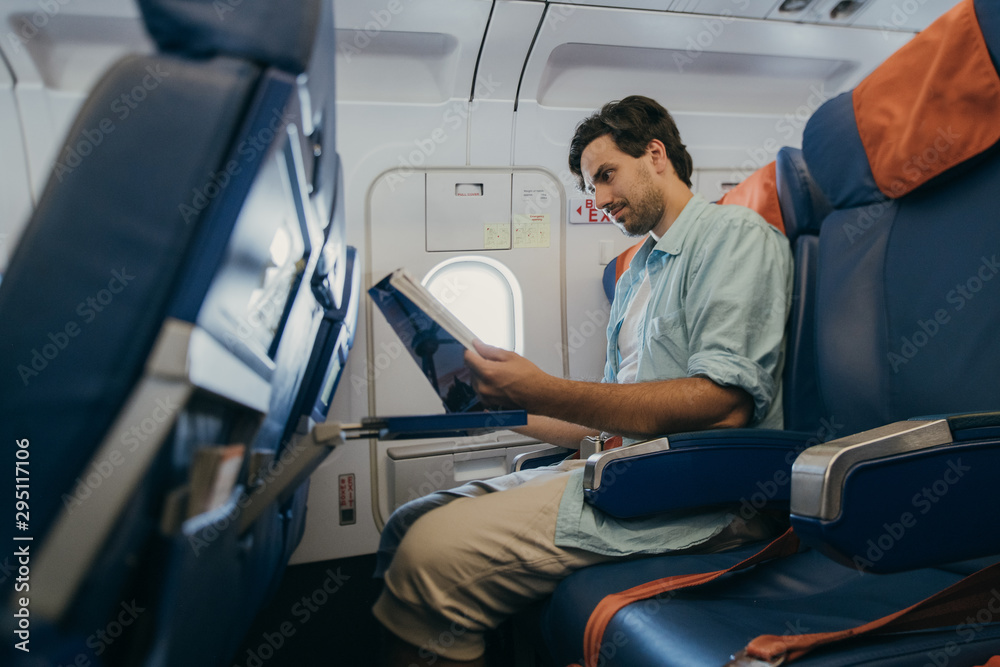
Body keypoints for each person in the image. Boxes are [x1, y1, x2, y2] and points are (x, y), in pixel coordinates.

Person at [373, 95, 793, 667]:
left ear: (655, 154)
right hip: (620, 471)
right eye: (590, 188)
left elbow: (722, 407)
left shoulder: (735, 236)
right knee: (407, 523)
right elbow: (604, 416)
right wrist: (497, 405)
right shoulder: (635, 273)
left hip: (696, 493)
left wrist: (540, 386)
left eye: (605, 176)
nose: (598, 200)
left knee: (427, 557)